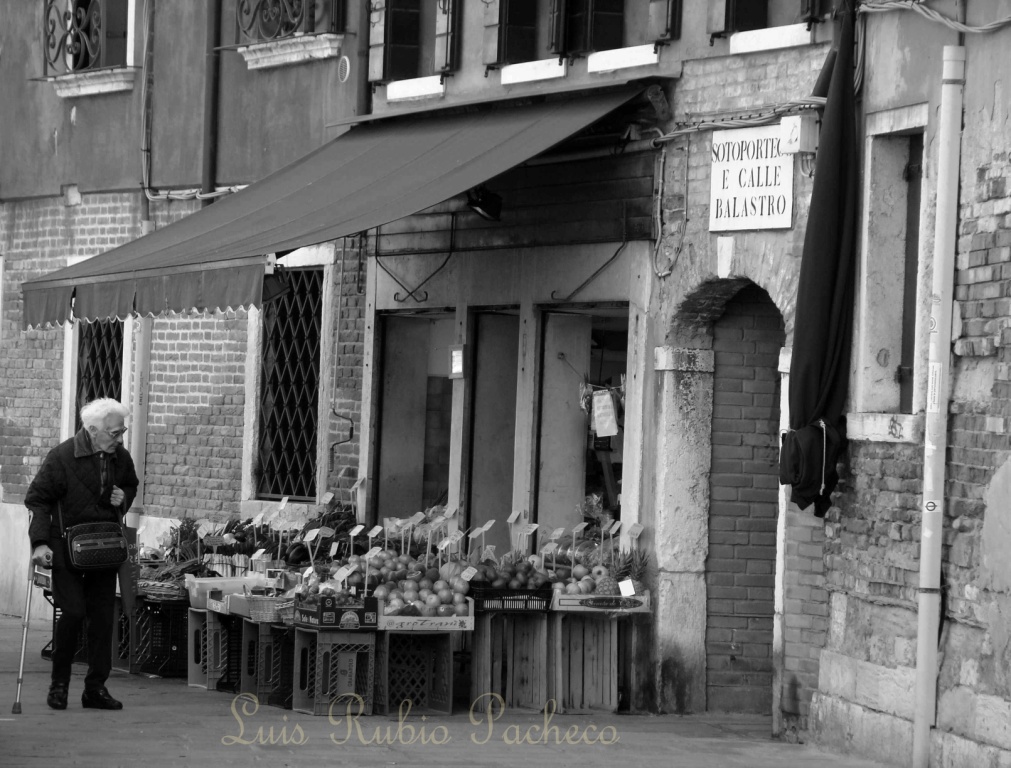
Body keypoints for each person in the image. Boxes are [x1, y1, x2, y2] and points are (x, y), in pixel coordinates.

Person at [26, 397, 139, 711]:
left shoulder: (120, 457)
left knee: (103, 619)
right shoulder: (62, 456)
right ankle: (59, 685)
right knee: (73, 613)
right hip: (65, 547)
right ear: (93, 430)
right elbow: (37, 500)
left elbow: (131, 484)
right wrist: (39, 544)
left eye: (122, 432)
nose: (120, 438)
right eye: (115, 433)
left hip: (104, 548)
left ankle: (95, 689)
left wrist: (124, 496)